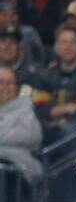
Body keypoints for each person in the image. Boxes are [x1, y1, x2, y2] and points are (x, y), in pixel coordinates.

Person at [0, 63, 42, 193]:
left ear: (17, 88)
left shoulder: (26, 110)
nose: (5, 87)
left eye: (10, 83)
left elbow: (30, 137)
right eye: (1, 82)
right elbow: (12, 136)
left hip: (17, 169)